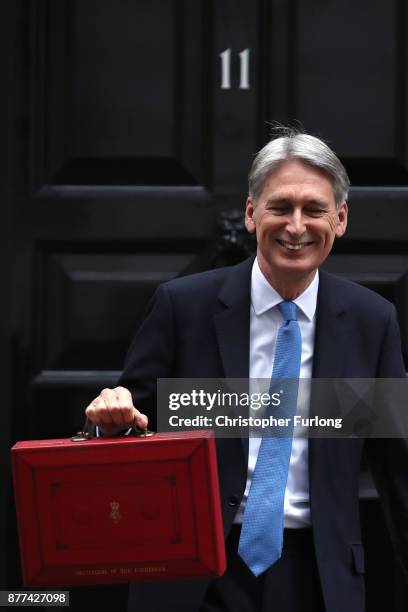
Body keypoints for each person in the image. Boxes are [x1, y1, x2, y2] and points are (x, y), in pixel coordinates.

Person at [85, 129, 408, 612]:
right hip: (197, 576)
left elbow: (397, 467)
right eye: (280, 207)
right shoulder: (183, 307)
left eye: (314, 209)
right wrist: (103, 424)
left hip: (320, 577)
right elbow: (128, 428)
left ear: (339, 220)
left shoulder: (371, 321)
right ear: (252, 212)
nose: (296, 226)